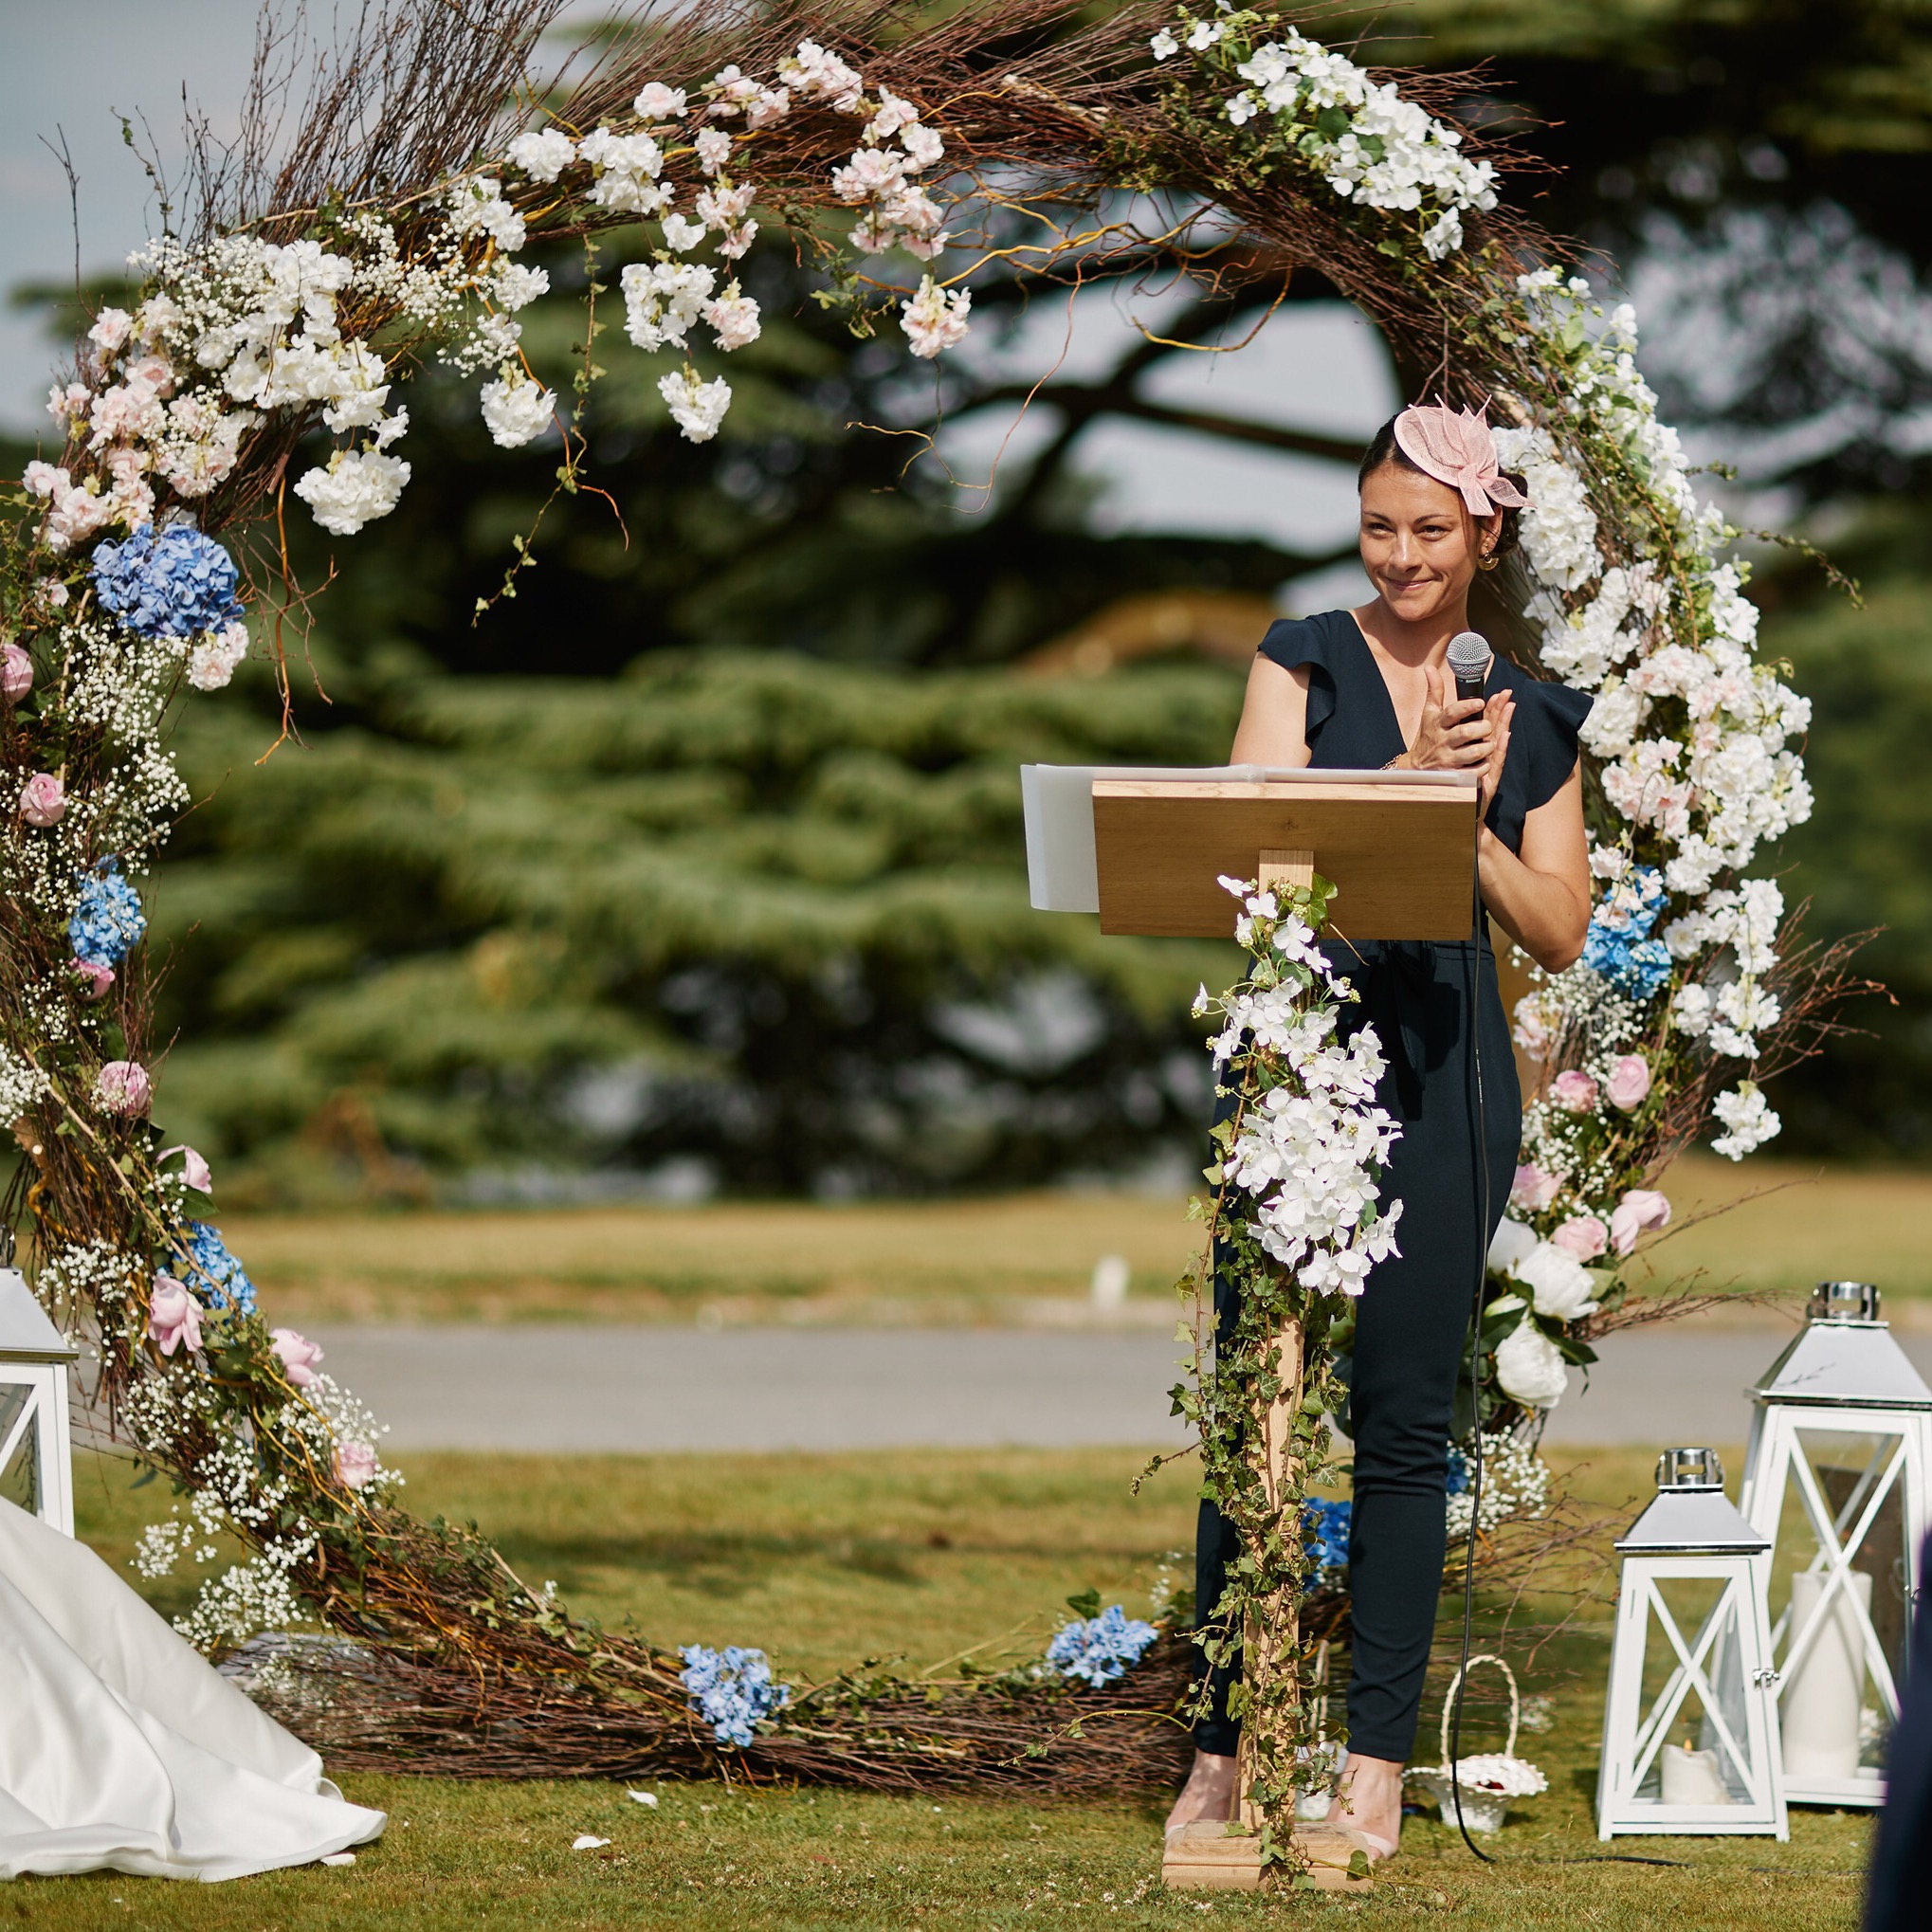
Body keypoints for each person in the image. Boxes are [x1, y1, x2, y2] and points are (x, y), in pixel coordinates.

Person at [1162, 402, 1593, 1859]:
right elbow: (1245, 832)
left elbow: (1558, 927)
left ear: (1485, 534)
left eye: (1429, 528)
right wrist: (1397, 784)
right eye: (1377, 526)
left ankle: (1371, 1772)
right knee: (1255, 1420)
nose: (1400, 554)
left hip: (1448, 1080)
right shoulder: (1299, 658)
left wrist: (1465, 815)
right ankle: (1221, 1755)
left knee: (1402, 1431)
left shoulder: (1526, 713)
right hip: (1301, 1067)